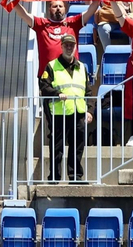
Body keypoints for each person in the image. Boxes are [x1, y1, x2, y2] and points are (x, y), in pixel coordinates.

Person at [37, 32, 90, 181]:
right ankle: (54, 176)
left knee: (77, 147)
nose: (69, 48)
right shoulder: (52, 66)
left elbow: (88, 90)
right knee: (57, 148)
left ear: (75, 47)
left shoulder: (82, 67)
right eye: (66, 45)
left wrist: (89, 110)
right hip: (59, 112)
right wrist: (57, 93)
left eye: (71, 45)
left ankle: (75, 176)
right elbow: (44, 87)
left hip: (78, 112)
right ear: (61, 46)